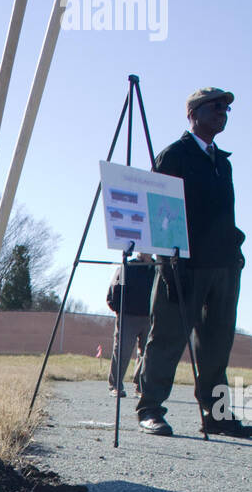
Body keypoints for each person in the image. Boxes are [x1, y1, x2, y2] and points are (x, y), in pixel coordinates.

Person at [136, 87, 251, 437]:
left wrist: (235, 246)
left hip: (223, 267)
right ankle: (150, 409)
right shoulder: (174, 156)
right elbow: (158, 214)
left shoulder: (223, 162)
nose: (222, 113)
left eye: (226, 110)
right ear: (193, 114)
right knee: (167, 339)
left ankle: (216, 415)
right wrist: (167, 262)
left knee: (217, 346)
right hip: (182, 265)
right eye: (215, 107)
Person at [106, 252, 154, 396]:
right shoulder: (127, 265)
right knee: (122, 350)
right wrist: (118, 308)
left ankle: (140, 386)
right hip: (128, 315)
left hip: (150, 317)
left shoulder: (157, 267)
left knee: (147, 353)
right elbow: (115, 288)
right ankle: (115, 386)